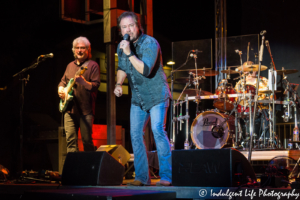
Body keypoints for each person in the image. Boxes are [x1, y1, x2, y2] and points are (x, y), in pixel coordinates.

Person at [114, 11, 172, 186]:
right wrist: (118, 84)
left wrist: (129, 53)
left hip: (157, 95)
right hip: (138, 98)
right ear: (120, 29)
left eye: (131, 25)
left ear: (138, 26)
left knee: (157, 130)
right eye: (124, 27)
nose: (128, 29)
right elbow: (122, 67)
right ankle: (142, 178)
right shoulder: (122, 46)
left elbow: (145, 70)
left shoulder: (150, 43)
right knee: (135, 135)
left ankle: (166, 177)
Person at [58, 36, 100, 153]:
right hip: (69, 110)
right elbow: (63, 82)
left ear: (88, 50)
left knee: (87, 141)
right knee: (70, 142)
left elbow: (95, 86)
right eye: (77, 48)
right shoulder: (70, 65)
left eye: (82, 48)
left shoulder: (92, 65)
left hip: (86, 111)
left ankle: (90, 169)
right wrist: (61, 89)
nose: (79, 50)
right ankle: (75, 170)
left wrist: (84, 82)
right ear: (73, 50)